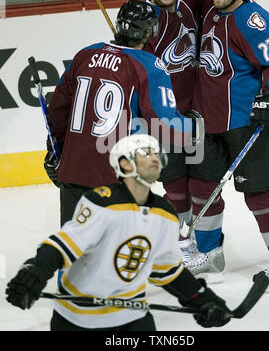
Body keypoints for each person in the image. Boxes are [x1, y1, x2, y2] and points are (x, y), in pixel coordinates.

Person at [5, 134, 231, 331]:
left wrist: (199, 298)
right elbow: (64, 244)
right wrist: (35, 271)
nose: (154, 158)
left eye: (155, 153)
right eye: (145, 153)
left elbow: (166, 269)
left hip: (133, 318)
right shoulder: (102, 202)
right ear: (125, 165)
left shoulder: (165, 214)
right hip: (77, 318)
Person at [185, 0, 269, 290]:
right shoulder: (209, 9)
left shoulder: (250, 18)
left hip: (247, 123)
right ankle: (209, 254)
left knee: (259, 193)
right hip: (208, 122)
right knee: (202, 189)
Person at [43, 0, 198, 227]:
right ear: (149, 32)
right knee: (116, 256)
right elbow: (165, 124)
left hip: (73, 171)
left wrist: (54, 150)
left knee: (74, 252)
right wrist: (195, 129)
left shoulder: (84, 55)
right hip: (116, 177)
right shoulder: (148, 65)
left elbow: (57, 110)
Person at [142, 0, 210, 249]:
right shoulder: (145, 17)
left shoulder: (187, 4)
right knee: (174, 183)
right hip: (163, 114)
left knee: (199, 182)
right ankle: (175, 237)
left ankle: (193, 236)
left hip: (195, 111)